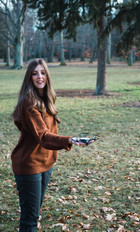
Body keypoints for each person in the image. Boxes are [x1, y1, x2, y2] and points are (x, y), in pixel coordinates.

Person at [11, 58, 84, 232]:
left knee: (34, 212)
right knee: (30, 220)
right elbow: (43, 137)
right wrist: (69, 140)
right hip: (29, 165)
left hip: (46, 163)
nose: (39, 77)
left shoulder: (45, 98)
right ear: (29, 77)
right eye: (35, 73)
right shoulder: (28, 103)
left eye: (43, 73)